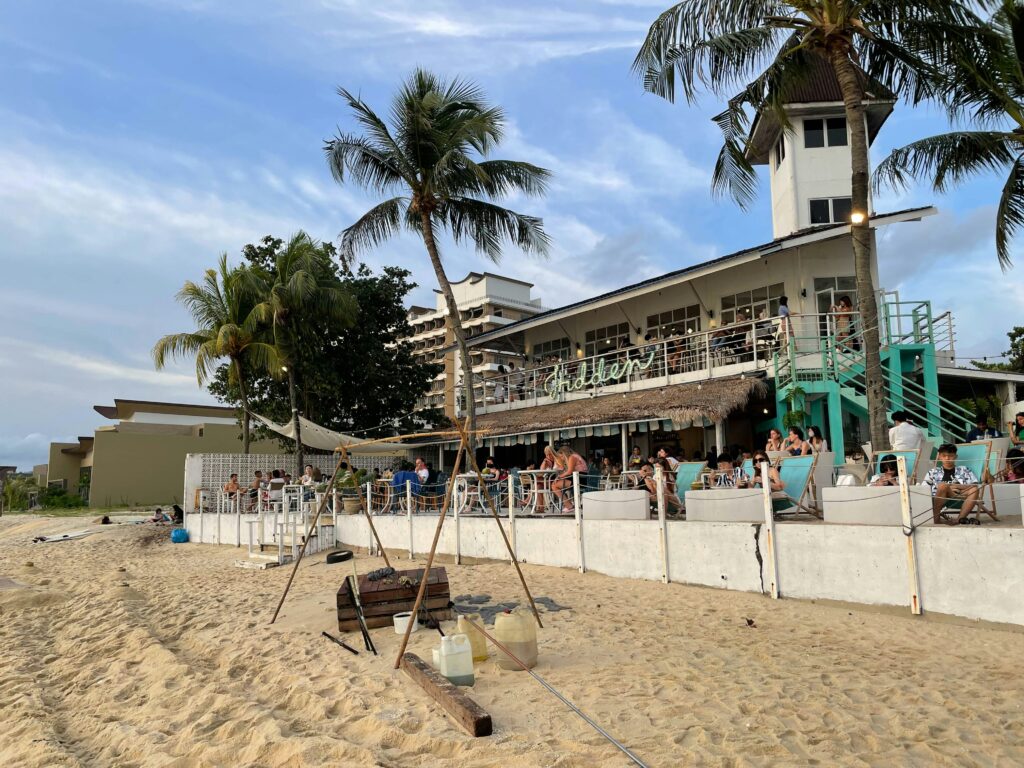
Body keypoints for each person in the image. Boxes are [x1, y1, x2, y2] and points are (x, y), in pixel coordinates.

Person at [923, 444, 980, 525]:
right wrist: (947, 488)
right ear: (939, 457)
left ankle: (959, 519)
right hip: (939, 497)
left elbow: (974, 485)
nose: (947, 458)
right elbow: (924, 489)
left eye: (950, 456)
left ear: (955, 456)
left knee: (975, 490)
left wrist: (954, 486)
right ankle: (936, 519)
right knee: (943, 486)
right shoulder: (932, 472)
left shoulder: (964, 470)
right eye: (944, 456)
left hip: (959, 496)